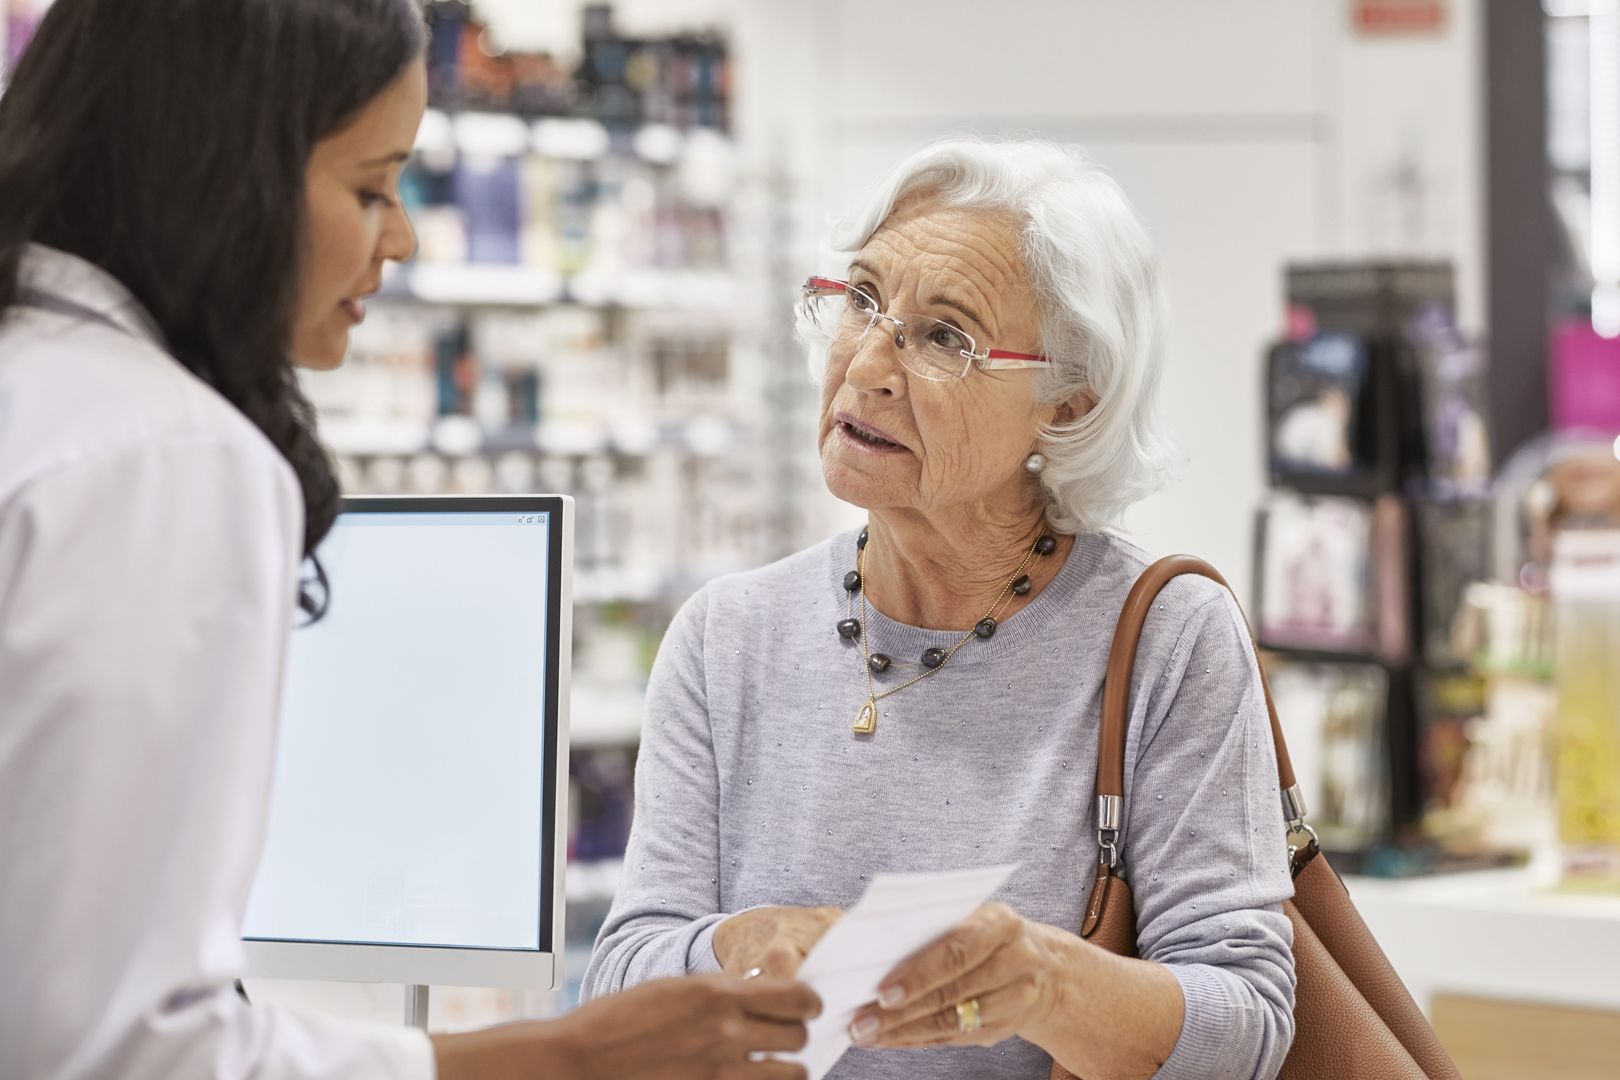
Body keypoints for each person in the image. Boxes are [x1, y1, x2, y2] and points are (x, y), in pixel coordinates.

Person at [0, 2, 817, 1077]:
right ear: (224, 174)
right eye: (371, 187)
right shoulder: (168, 458)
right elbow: (118, 1046)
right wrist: (559, 1058)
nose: (403, 237)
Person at [584, 138, 1297, 1079]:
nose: (869, 364)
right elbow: (620, 980)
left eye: (945, 336)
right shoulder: (729, 636)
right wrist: (731, 947)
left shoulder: (1167, 634)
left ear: (1067, 406)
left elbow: (1246, 1022)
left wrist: (1049, 983)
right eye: (864, 301)